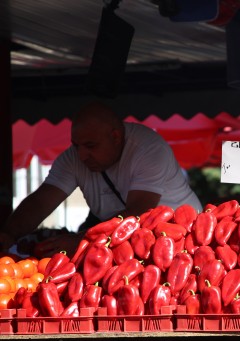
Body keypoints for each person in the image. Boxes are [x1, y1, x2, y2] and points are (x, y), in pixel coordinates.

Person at [0, 102, 202, 256]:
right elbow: (42, 201)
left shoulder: (148, 147)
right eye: (76, 145)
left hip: (186, 240)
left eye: (91, 146)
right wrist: (8, 234)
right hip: (126, 244)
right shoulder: (74, 157)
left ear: (115, 137)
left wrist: (82, 240)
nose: (81, 155)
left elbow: (141, 211)